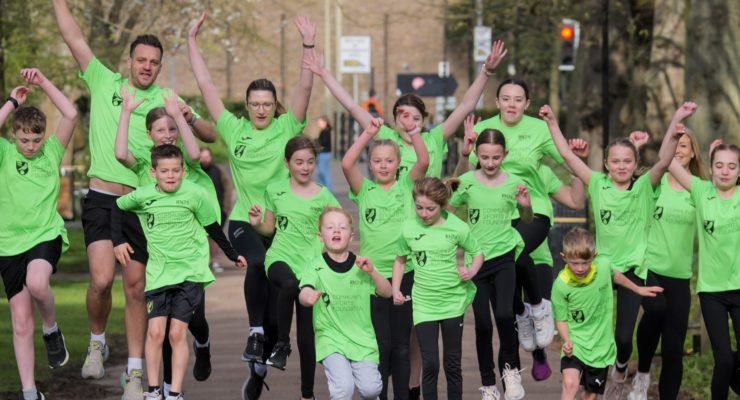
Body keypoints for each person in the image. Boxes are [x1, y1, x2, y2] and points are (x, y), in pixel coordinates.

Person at [52, 2, 215, 396]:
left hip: (143, 206)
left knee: (137, 287)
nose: (146, 66)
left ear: (159, 66)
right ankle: (97, 340)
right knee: (101, 279)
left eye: (154, 62)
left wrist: (188, 118)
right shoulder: (105, 81)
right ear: (129, 61)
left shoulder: (166, 98)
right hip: (102, 197)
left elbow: (209, 134)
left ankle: (137, 372)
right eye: (140, 60)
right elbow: (73, 36)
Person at [187, 15, 316, 392]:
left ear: (275, 106)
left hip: (281, 225)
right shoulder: (234, 129)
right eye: (254, 104)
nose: (261, 109)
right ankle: (256, 333)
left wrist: (308, 46)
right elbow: (207, 84)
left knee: (280, 291)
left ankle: (259, 367)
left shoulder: (287, 127)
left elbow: (306, 88)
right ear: (245, 106)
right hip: (245, 220)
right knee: (256, 263)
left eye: (267, 104)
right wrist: (192, 41)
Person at [539, 102, 694, 398]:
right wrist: (552, 123)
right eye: (616, 161)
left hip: (635, 269)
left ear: (635, 165)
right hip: (605, 269)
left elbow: (663, 161)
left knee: (643, 321)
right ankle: (597, 370)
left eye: (627, 161)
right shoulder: (597, 184)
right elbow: (568, 157)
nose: (622, 166)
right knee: (604, 332)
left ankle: (623, 367)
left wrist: (676, 124)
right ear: (607, 164)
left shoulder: (643, 188)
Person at [115, 144, 246, 400]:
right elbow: (117, 208)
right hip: (159, 275)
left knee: (176, 334)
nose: (171, 175)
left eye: (176, 170)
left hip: (190, 274)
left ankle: (174, 393)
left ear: (184, 171)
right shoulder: (143, 196)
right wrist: (117, 240)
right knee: (155, 333)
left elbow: (213, 227)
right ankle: (153, 392)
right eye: (165, 171)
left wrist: (232, 254)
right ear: (153, 172)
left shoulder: (195, 194)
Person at [113, 87, 219, 391]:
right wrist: (125, 112)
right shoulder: (148, 168)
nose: (168, 134)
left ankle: (203, 341)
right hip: (161, 253)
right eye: (161, 129)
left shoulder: (186, 163)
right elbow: (121, 153)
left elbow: (197, 151)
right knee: (164, 324)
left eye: (172, 128)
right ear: (150, 135)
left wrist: (179, 116)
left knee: (193, 318)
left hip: (191, 248)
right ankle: (170, 389)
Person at [304, 41, 507, 178]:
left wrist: (486, 72)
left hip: (429, 216)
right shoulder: (387, 137)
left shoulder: (434, 138)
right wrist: (324, 74)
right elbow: (351, 105)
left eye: (416, 118)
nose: (410, 123)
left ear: (424, 121)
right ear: (394, 120)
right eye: (404, 117)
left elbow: (465, 106)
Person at [0, 68, 77, 400]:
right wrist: (11, 101)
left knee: (37, 282)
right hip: (8, 244)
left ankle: (51, 328)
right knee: (19, 322)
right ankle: (30, 392)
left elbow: (71, 113)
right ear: (13, 135)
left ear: (43, 136)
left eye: (36, 139)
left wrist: (43, 82)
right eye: (24, 139)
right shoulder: (4, 154)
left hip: (45, 234)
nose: (30, 146)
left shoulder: (51, 153)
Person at [342, 114, 429, 400]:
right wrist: (367, 134)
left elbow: (424, 162)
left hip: (405, 275)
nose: (382, 165)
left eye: (389, 160)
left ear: (398, 163)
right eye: (377, 160)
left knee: (402, 345)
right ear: (371, 164)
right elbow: (346, 163)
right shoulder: (363, 190)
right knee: (381, 345)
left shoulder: (407, 186)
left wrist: (414, 132)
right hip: (371, 278)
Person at [248, 136, 340, 399]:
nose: (305, 167)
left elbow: (338, 225)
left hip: (310, 268)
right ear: (287, 163)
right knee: (287, 284)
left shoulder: (324, 195)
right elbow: (269, 227)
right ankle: (281, 344)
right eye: (299, 162)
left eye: (310, 162)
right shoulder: (275, 190)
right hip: (279, 257)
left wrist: (337, 237)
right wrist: (257, 223)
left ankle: (307, 393)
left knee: (307, 337)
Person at [448, 118, 533, 400]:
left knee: (506, 315)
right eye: (484, 157)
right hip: (476, 262)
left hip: (505, 257)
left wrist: (526, 207)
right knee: (483, 324)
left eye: (496, 157)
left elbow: (527, 219)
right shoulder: (469, 182)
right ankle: (488, 384)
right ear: (477, 155)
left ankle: (510, 372)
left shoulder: (515, 183)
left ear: (505, 155)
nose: (490, 162)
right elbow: (448, 205)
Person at [626, 128, 707, 400]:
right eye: (676, 145)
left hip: (680, 275)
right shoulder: (656, 182)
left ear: (693, 152)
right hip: (650, 268)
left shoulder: (698, 190)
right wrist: (635, 147)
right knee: (656, 308)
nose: (680, 149)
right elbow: (626, 179)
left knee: (674, 349)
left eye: (685, 146)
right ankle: (643, 373)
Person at [392, 177, 484, 400]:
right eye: (419, 207)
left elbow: (478, 252)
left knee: (452, 364)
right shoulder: (408, 227)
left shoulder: (457, 227)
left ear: (442, 206)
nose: (424, 213)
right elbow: (400, 259)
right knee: (430, 363)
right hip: (424, 303)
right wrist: (395, 288)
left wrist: (471, 271)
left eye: (430, 209)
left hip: (453, 301)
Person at [553, 228, 663, 400]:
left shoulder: (603, 267)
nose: (580, 268)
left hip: (600, 348)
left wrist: (637, 288)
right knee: (570, 383)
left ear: (594, 257)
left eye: (585, 262)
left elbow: (616, 276)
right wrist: (566, 340)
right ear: (564, 257)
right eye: (574, 263)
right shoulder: (561, 285)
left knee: (590, 396)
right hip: (576, 344)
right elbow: (560, 319)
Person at [667, 140, 740, 399]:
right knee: (724, 361)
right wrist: (675, 125)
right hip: (712, 293)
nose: (725, 171)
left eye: (732, 166)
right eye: (719, 165)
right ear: (710, 168)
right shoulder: (701, 191)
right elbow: (668, 160)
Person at [299, 207, 391, 400]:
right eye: (330, 227)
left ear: (351, 236)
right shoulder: (314, 265)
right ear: (321, 236)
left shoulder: (362, 265)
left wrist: (373, 273)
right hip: (330, 338)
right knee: (343, 389)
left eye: (342, 227)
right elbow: (304, 290)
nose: (336, 231)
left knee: (371, 389)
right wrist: (308, 297)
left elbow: (387, 291)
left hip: (362, 339)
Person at [199, 147, 231, 272]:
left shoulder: (219, 170)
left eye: (207, 156)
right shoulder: (196, 170)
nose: (205, 159)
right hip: (200, 210)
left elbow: (228, 188)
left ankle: (214, 261)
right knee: (202, 237)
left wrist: (226, 207)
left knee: (215, 237)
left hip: (217, 210)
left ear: (211, 157)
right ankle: (204, 262)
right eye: (202, 156)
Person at [316, 115, 333, 191]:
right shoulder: (325, 131)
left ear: (324, 122)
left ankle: (328, 190)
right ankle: (323, 189)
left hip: (324, 154)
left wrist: (317, 142)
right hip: (323, 154)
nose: (318, 123)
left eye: (319, 121)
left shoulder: (325, 131)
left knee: (323, 172)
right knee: (320, 173)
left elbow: (324, 142)